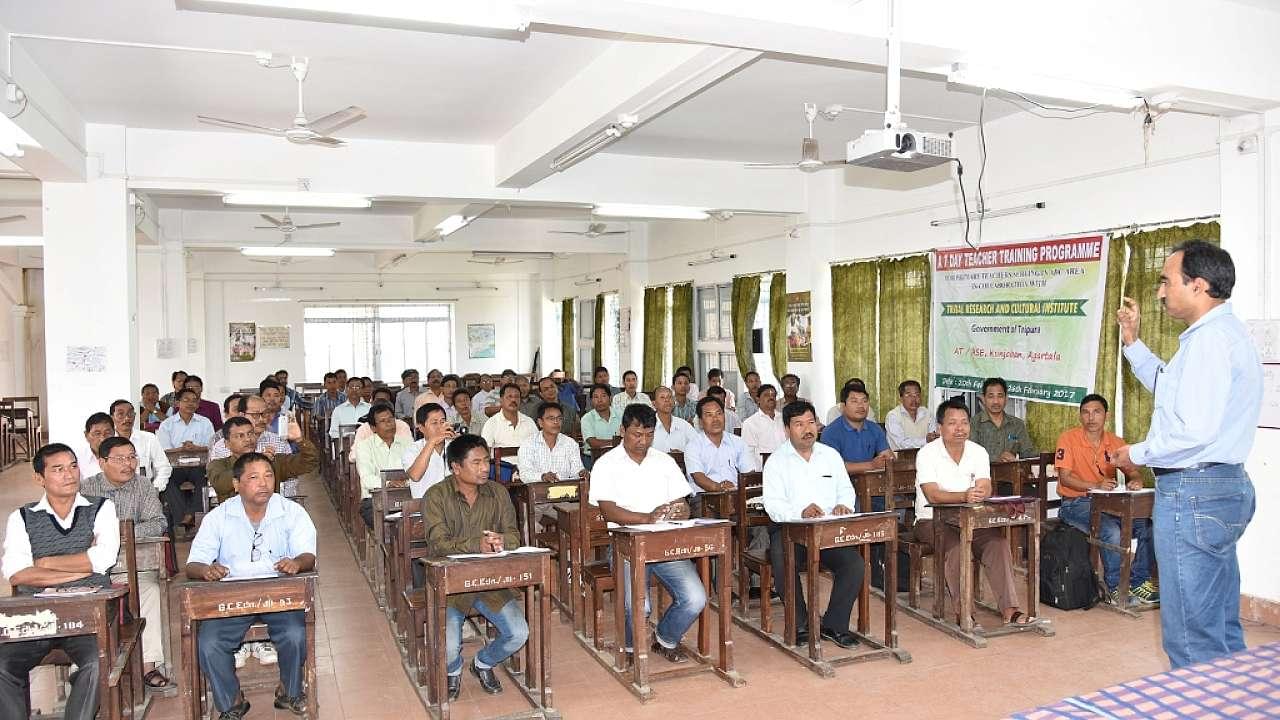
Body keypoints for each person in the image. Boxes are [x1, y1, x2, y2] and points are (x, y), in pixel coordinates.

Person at [1111, 240, 1261, 669]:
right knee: (1218, 625)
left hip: (1194, 490)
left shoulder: (1209, 342)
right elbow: (1171, 388)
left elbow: (1194, 430)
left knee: (1191, 637)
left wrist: (1136, 452)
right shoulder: (1222, 335)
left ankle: (1203, 700)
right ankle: (1229, 697)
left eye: (1167, 281)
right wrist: (1132, 342)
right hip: (1220, 485)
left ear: (1198, 285)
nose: (1160, 293)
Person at [186, 453, 316, 719]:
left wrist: (297, 563)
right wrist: (206, 570)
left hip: (278, 594)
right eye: (254, 477)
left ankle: (290, 690)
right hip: (232, 595)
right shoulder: (219, 516)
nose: (264, 483)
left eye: (268, 475)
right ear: (236, 484)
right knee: (209, 643)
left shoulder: (291, 512)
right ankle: (231, 701)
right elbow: (193, 563)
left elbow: (308, 555)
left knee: (295, 634)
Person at [0, 443, 120, 720]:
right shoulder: (21, 517)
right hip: (36, 617)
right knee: (3, 666)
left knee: (96, 663)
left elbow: (103, 558)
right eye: (58, 469)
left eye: (73, 466)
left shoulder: (101, 508)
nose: (69, 474)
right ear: (39, 478)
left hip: (88, 616)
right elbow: (17, 572)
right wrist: (81, 571)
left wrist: (43, 563)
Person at [589, 405, 705, 663]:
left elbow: (682, 503)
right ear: (622, 431)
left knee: (695, 598)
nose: (643, 441)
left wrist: (681, 511)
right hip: (626, 543)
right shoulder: (606, 464)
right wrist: (646, 518)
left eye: (649, 435)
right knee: (640, 606)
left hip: (663, 542)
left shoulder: (663, 461)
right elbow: (607, 510)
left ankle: (665, 639)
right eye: (636, 434)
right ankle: (630, 647)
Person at [914, 398, 1043, 629]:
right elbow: (932, 495)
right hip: (931, 521)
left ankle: (1010, 610)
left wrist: (981, 491)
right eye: (952, 423)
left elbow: (985, 486)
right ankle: (965, 612)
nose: (960, 428)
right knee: (957, 549)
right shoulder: (926, 454)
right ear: (940, 427)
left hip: (971, 520)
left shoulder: (978, 452)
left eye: (964, 422)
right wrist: (964, 495)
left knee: (998, 544)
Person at [422, 434, 528, 699]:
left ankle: (482, 663)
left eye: (487, 461)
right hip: (450, 584)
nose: (485, 468)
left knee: (519, 633)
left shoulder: (498, 492)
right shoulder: (436, 496)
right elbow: (438, 544)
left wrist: (502, 541)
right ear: (456, 467)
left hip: (489, 581)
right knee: (448, 648)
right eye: (477, 462)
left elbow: (514, 536)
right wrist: (476, 545)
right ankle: (453, 670)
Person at [762, 400, 864, 648]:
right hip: (790, 530)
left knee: (854, 564)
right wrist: (801, 512)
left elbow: (846, 490)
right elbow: (773, 505)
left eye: (810, 422)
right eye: (798, 424)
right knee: (784, 560)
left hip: (827, 530)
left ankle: (834, 625)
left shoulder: (830, 455)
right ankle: (800, 624)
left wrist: (843, 506)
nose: (807, 429)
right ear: (787, 429)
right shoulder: (776, 461)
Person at [80, 436, 173, 689]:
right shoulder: (86, 490)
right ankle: (88, 670)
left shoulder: (143, 486)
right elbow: (79, 532)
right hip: (94, 571)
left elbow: (158, 523)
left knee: (151, 591)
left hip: (135, 567)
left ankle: (148, 666)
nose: (128, 464)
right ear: (102, 462)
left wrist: (119, 534)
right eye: (120, 459)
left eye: (132, 457)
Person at [1053, 394, 1155, 605]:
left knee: (1149, 526)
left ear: (1106, 415)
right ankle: (1116, 587)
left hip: (1111, 505)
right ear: (1080, 416)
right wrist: (1095, 485)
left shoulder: (1115, 442)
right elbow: (1065, 478)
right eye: (1085, 412)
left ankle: (1138, 581)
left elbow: (1133, 472)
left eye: (1096, 412)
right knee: (1111, 531)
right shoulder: (1068, 438)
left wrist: (1136, 481)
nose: (1091, 417)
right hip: (1075, 504)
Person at [207, 416, 317, 502]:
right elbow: (220, 484)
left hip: (270, 519)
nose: (248, 439)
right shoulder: (218, 464)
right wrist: (255, 463)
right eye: (240, 436)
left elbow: (309, 462)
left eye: (250, 434)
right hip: (234, 520)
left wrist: (299, 440)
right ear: (227, 443)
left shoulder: (272, 461)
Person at [156, 388, 215, 528]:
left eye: (194, 400)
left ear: (198, 404)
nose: (190, 403)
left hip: (199, 465)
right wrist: (181, 449)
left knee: (203, 480)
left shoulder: (205, 422)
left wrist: (196, 448)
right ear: (177, 403)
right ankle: (184, 518)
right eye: (186, 400)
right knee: (168, 482)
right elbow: (164, 450)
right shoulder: (167, 424)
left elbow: (212, 446)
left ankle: (187, 516)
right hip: (176, 467)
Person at [355, 402, 415, 528]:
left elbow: (415, 471)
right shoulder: (364, 446)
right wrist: (389, 483)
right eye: (383, 421)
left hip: (406, 496)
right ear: (373, 427)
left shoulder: (408, 443)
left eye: (391, 419)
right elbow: (367, 478)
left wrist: (405, 482)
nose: (389, 424)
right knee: (392, 526)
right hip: (375, 500)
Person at [685, 397, 755, 500]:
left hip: (736, 495)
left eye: (719, 413)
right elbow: (699, 478)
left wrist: (737, 491)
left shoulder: (738, 442)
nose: (715, 419)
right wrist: (720, 488)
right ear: (700, 422)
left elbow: (749, 473)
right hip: (704, 498)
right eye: (709, 415)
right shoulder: (693, 446)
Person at [820, 383, 894, 479]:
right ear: (843, 406)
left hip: (871, 482)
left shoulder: (875, 429)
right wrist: (871, 465)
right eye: (854, 401)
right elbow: (833, 466)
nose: (861, 405)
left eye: (864, 401)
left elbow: (888, 456)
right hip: (842, 484)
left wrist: (887, 460)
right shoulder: (830, 432)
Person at [109, 398, 172, 494]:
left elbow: (164, 466)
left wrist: (156, 488)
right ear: (112, 418)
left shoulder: (149, 438)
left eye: (130, 414)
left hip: (144, 491)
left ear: (135, 415)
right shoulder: (107, 441)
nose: (127, 418)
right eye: (121, 414)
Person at [517, 402, 588, 483]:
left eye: (559, 418)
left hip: (565, 488)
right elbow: (525, 474)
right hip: (538, 489)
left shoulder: (570, 444)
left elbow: (576, 471)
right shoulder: (528, 444)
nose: (556, 422)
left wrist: (581, 473)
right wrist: (543, 477)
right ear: (540, 422)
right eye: (551, 418)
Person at [480, 383, 537, 482]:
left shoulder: (529, 422)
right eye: (509, 397)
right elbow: (485, 453)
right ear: (501, 400)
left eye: (516, 397)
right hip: (501, 473)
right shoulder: (492, 423)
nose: (513, 400)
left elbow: (538, 449)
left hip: (528, 471)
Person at [971, 378, 1036, 462]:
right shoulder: (974, 424)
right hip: (983, 470)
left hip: (1012, 470)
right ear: (983, 399)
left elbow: (1027, 453)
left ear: (1006, 398)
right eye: (991, 396)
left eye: (1000, 396)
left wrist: (1042, 455)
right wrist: (996, 459)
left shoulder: (1017, 424)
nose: (996, 401)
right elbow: (970, 455)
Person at [211, 395, 292, 461]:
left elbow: (290, 474)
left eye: (264, 414)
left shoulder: (279, 441)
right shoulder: (223, 446)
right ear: (242, 415)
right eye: (255, 415)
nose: (261, 419)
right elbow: (218, 475)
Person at [402, 403, 456, 497]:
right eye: (434, 423)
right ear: (421, 428)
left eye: (442, 422)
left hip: (454, 504)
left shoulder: (454, 446)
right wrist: (432, 442)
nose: (440, 427)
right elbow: (415, 476)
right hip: (424, 504)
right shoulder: (412, 449)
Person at [351, 388, 413, 463]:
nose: (387, 423)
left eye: (390, 418)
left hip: (399, 466)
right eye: (382, 420)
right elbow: (354, 456)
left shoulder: (402, 425)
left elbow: (411, 452)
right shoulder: (364, 428)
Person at [740, 384, 786, 467]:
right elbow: (748, 453)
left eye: (773, 395)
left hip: (786, 466)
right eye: (766, 395)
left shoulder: (784, 419)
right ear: (758, 399)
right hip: (763, 469)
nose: (771, 397)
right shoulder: (750, 423)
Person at [884, 380, 937, 450]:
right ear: (901, 398)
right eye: (909, 395)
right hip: (900, 456)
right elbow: (901, 444)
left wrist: (932, 438)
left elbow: (934, 438)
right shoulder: (893, 416)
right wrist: (925, 440)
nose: (914, 399)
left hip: (925, 455)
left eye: (917, 395)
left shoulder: (927, 413)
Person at [651, 386, 696, 453]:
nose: (667, 400)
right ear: (654, 403)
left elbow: (698, 446)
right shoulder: (648, 426)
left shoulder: (684, 425)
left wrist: (683, 455)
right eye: (662, 397)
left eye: (670, 397)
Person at [72, 412, 114, 479]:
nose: (103, 439)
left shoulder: (125, 457)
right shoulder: (76, 459)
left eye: (107, 433)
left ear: (114, 433)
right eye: (97, 434)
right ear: (86, 435)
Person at [579, 384, 622, 450]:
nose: (600, 400)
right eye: (596, 397)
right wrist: (618, 443)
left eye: (603, 396)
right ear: (591, 401)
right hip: (595, 455)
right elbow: (593, 443)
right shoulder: (586, 419)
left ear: (610, 398)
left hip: (619, 453)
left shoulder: (621, 415)